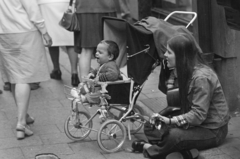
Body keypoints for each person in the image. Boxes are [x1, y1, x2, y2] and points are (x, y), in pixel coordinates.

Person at [131, 34, 230, 159]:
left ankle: (150, 149)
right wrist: (164, 119)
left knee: (174, 136)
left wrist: (171, 121)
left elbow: (198, 115)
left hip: (212, 130)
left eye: (169, 52)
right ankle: (184, 152)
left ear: (181, 56)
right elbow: (173, 98)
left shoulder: (201, 78)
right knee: (151, 127)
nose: (165, 55)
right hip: (193, 124)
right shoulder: (181, 70)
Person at [0, 0, 52, 139]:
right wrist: (44, 31)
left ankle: (24, 114)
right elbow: (32, 9)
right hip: (25, 31)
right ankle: (21, 123)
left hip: (4, 33)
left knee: (13, 76)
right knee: (24, 78)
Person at [71, 40, 122, 120]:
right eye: (96, 51)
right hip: (104, 88)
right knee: (90, 86)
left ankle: (85, 98)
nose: (96, 53)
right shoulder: (104, 64)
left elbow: (114, 75)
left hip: (110, 91)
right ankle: (81, 91)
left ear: (110, 57)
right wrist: (93, 73)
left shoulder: (111, 65)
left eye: (100, 52)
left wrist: (100, 77)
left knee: (98, 96)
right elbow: (97, 70)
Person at [37, 0, 80, 87]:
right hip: (66, 2)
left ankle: (56, 70)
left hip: (46, 3)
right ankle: (74, 73)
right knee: (70, 38)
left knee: (52, 35)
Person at [74, 0, 117, 82]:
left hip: (85, 7)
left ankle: (84, 86)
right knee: (109, 48)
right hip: (107, 6)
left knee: (86, 50)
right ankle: (108, 84)